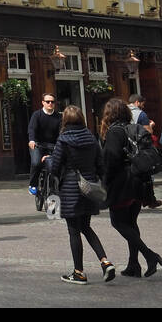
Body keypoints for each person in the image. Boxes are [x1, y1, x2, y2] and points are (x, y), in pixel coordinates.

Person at [46, 104, 115, 283]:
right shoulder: (91, 138)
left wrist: (48, 160)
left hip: (70, 189)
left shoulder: (63, 140)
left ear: (65, 120)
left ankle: (79, 272)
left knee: (74, 231)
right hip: (89, 188)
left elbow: (54, 168)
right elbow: (101, 166)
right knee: (86, 227)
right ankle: (105, 262)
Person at [100, 98, 162, 278]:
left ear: (109, 114)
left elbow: (111, 161)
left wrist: (104, 182)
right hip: (140, 181)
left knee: (118, 222)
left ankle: (150, 255)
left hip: (122, 184)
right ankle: (133, 264)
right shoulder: (134, 128)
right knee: (131, 223)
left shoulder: (114, 132)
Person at [127, 93, 162, 207]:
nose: (143, 106)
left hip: (126, 146)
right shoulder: (141, 114)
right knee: (146, 175)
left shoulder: (122, 111)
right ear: (137, 102)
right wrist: (151, 125)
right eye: (142, 104)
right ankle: (149, 200)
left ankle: (133, 199)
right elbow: (148, 132)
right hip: (139, 148)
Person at [27, 92, 60, 203]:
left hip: (53, 146)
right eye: (48, 101)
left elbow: (62, 132)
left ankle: (56, 187)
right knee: (36, 163)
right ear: (43, 103)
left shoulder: (59, 117)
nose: (50, 103)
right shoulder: (37, 115)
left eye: (52, 102)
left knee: (59, 164)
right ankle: (33, 184)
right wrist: (31, 140)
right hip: (38, 144)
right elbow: (32, 129)